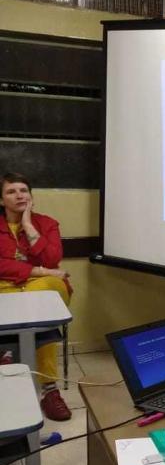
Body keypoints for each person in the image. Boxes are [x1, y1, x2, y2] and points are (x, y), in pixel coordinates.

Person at [0, 172, 74, 421]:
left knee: (41, 298)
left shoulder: (47, 224)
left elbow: (52, 259)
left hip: (42, 288)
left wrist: (29, 225)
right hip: (8, 287)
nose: (19, 195)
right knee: (39, 316)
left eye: (24, 190)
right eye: (11, 191)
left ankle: (44, 387)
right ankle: (39, 386)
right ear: (1, 200)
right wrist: (41, 271)